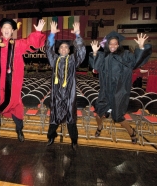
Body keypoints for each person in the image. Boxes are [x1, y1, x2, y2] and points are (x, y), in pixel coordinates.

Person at [0, 11, 46, 142]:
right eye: (4, 27)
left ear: (12, 31)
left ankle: (19, 130)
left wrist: (38, 33)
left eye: (9, 28)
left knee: (16, 106)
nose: (6, 30)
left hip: (13, 85)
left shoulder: (18, 45)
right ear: (1, 30)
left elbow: (32, 44)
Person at [90, 31, 152, 143]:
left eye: (115, 43)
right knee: (98, 113)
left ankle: (131, 132)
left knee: (118, 117)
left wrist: (141, 47)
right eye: (111, 43)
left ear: (118, 45)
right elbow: (96, 65)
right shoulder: (104, 56)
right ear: (108, 45)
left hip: (119, 91)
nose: (113, 45)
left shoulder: (126, 55)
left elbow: (136, 61)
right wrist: (95, 53)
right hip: (106, 91)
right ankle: (99, 127)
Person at [45, 21, 86, 150]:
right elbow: (48, 50)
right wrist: (52, 34)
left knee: (70, 116)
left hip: (69, 93)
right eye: (61, 47)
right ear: (58, 50)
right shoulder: (54, 60)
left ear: (69, 50)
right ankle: (51, 136)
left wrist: (78, 35)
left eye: (66, 47)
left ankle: (74, 140)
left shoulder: (73, 60)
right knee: (54, 115)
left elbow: (81, 52)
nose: (63, 49)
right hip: (56, 93)